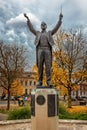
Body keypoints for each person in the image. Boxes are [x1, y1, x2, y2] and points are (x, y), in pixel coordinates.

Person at [24, 13, 63, 87]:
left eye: (44, 24)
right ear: (40, 26)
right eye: (42, 24)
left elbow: (56, 28)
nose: (43, 25)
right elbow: (31, 29)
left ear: (46, 26)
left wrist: (60, 20)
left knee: (48, 66)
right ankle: (39, 81)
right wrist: (28, 20)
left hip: (47, 50)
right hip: (40, 50)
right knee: (40, 66)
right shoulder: (38, 33)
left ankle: (49, 82)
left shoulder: (49, 33)